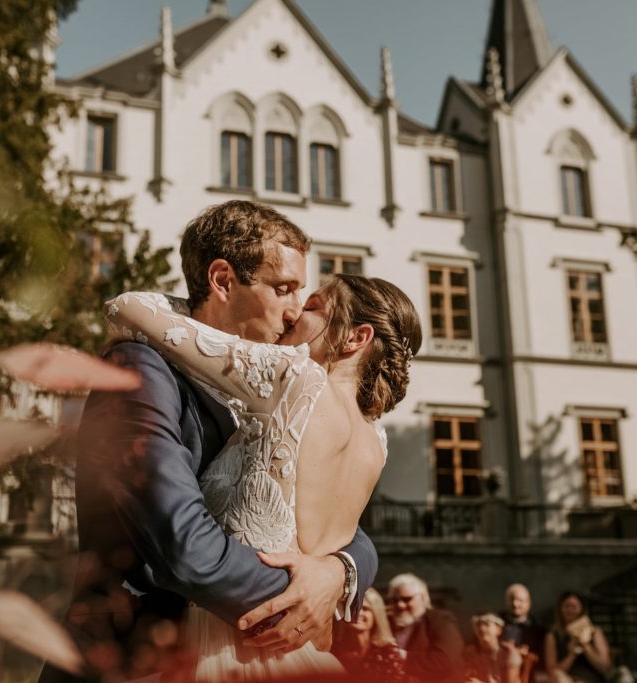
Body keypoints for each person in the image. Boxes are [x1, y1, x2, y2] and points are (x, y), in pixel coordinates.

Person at [38, 201, 386, 682]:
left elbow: (335, 513)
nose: (293, 313)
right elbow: (183, 544)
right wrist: (298, 598)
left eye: (302, 295)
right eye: (284, 290)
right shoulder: (139, 369)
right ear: (222, 280)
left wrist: (337, 573)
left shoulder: (278, 383)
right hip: (138, 658)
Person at [104, 263, 422, 677]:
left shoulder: (296, 376)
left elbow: (125, 307)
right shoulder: (375, 440)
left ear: (354, 338)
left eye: (312, 306)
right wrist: (343, 571)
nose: (292, 314)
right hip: (302, 653)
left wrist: (206, 312)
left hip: (223, 651)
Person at [387, 573, 465, 682]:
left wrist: (398, 656)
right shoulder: (387, 623)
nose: (400, 605)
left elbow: (443, 662)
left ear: (423, 598)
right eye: (394, 600)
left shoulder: (440, 620)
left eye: (407, 599)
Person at [331, 587, 407, 681]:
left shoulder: (388, 652)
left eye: (365, 609)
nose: (358, 613)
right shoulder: (332, 651)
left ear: (376, 615)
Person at [544, 592, 611, 683]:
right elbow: (552, 671)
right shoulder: (553, 635)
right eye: (567, 606)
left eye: (574, 607)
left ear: (581, 609)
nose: (570, 610)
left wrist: (585, 645)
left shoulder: (595, 632)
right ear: (560, 609)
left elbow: (604, 667)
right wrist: (572, 654)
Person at [462, 613, 524, 683]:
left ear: (498, 630)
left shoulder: (509, 653)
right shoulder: (470, 652)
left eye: (486, 624)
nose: (482, 628)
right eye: (478, 625)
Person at [499, 584, 546, 676]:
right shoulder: (496, 622)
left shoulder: (538, 628)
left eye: (520, 600)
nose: (515, 604)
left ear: (528, 603)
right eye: (511, 599)